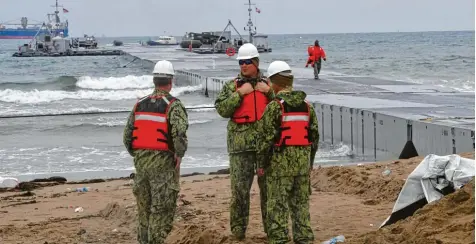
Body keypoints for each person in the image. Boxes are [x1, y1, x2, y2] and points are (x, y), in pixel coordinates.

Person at [123, 60, 189, 244]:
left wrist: (140, 155)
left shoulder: (139, 104)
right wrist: (179, 155)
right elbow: (180, 134)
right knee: (161, 213)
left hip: (142, 166)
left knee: (144, 213)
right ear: (171, 81)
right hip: (163, 167)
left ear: (154, 80)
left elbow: (127, 137)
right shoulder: (173, 105)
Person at [214, 43, 274, 240]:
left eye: (248, 62)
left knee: (269, 193)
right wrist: (240, 94)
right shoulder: (232, 86)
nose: (244, 65)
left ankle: (271, 230)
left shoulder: (268, 85)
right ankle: (238, 231)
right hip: (240, 148)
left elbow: (283, 106)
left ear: (256, 62)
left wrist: (269, 93)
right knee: (239, 193)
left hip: (266, 148)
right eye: (241, 62)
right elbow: (222, 109)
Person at [256, 61, 320, 244]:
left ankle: (280, 239)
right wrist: (309, 163)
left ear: (274, 83)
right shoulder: (308, 107)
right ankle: (304, 238)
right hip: (301, 166)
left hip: (279, 168)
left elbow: (265, 140)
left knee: (277, 208)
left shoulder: (275, 107)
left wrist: (261, 164)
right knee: (301, 206)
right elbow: (314, 138)